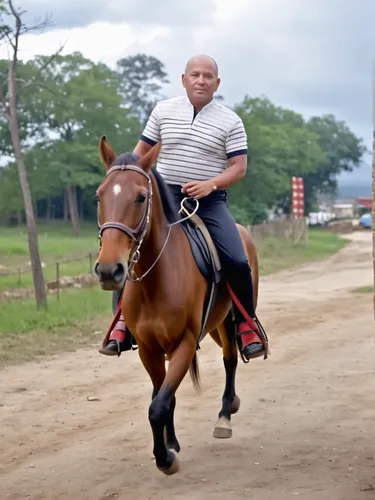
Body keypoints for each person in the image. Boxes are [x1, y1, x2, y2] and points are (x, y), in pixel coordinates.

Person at [99, 54, 267, 361]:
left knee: (237, 259)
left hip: (209, 202)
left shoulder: (231, 121)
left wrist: (211, 184)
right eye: (195, 75)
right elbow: (141, 156)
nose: (201, 80)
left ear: (217, 83)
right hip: (165, 198)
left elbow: (238, 168)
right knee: (124, 247)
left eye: (207, 76)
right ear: (184, 79)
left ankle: (246, 325)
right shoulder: (163, 111)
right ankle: (121, 324)